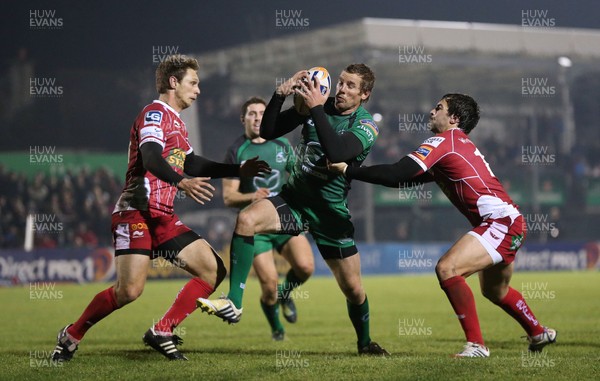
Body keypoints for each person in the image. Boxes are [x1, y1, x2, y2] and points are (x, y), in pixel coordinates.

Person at [51, 55, 269, 361]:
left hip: (163, 217)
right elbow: (152, 157)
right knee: (129, 291)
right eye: (193, 83)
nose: (198, 90)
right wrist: (181, 183)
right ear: (173, 82)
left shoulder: (176, 122)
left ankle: (162, 330)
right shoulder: (155, 113)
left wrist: (237, 170)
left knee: (213, 270)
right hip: (136, 212)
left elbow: (192, 161)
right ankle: (71, 335)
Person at [330, 93, 557, 357]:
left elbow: (397, 173)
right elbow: (407, 179)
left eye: (439, 108)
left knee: (447, 268)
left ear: (454, 118)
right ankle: (538, 332)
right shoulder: (456, 144)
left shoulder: (444, 141)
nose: (431, 111)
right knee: (496, 291)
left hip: (500, 223)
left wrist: (349, 170)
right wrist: (358, 172)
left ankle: (476, 346)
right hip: (509, 222)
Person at [198, 64, 390, 356]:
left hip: (330, 214)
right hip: (295, 199)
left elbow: (337, 151)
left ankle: (365, 343)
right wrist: (279, 95)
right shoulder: (317, 106)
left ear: (365, 94)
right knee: (247, 219)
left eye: (351, 86)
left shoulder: (365, 125)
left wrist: (314, 109)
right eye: (341, 82)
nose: (341, 89)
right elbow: (268, 129)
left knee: (352, 289)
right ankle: (234, 301)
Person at [222, 96, 314, 341]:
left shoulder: (282, 145)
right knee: (269, 285)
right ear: (243, 119)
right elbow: (229, 197)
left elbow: (298, 178)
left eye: (262, 113)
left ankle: (287, 293)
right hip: (255, 229)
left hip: (284, 219)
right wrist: (253, 195)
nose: (257, 118)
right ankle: (277, 329)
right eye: (251, 114)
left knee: (305, 267)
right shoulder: (236, 150)